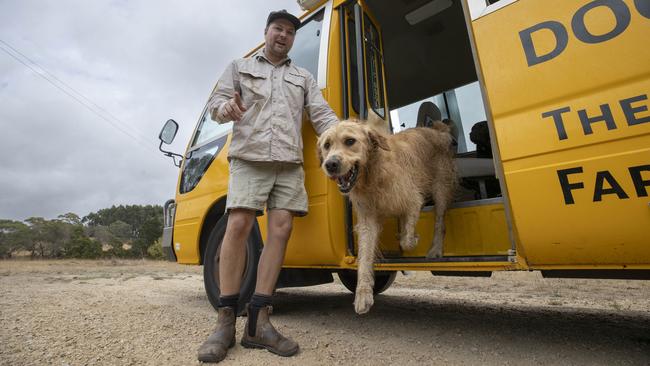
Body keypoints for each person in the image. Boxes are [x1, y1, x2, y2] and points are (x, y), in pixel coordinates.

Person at [197, 9, 338, 363]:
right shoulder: (240, 66)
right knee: (239, 225)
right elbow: (215, 104)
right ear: (267, 32)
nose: (284, 35)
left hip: (288, 164)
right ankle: (225, 321)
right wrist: (225, 107)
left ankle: (259, 322)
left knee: (281, 229)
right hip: (249, 158)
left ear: (293, 39)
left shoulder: (302, 77)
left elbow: (322, 115)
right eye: (278, 29)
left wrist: (349, 134)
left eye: (290, 32)